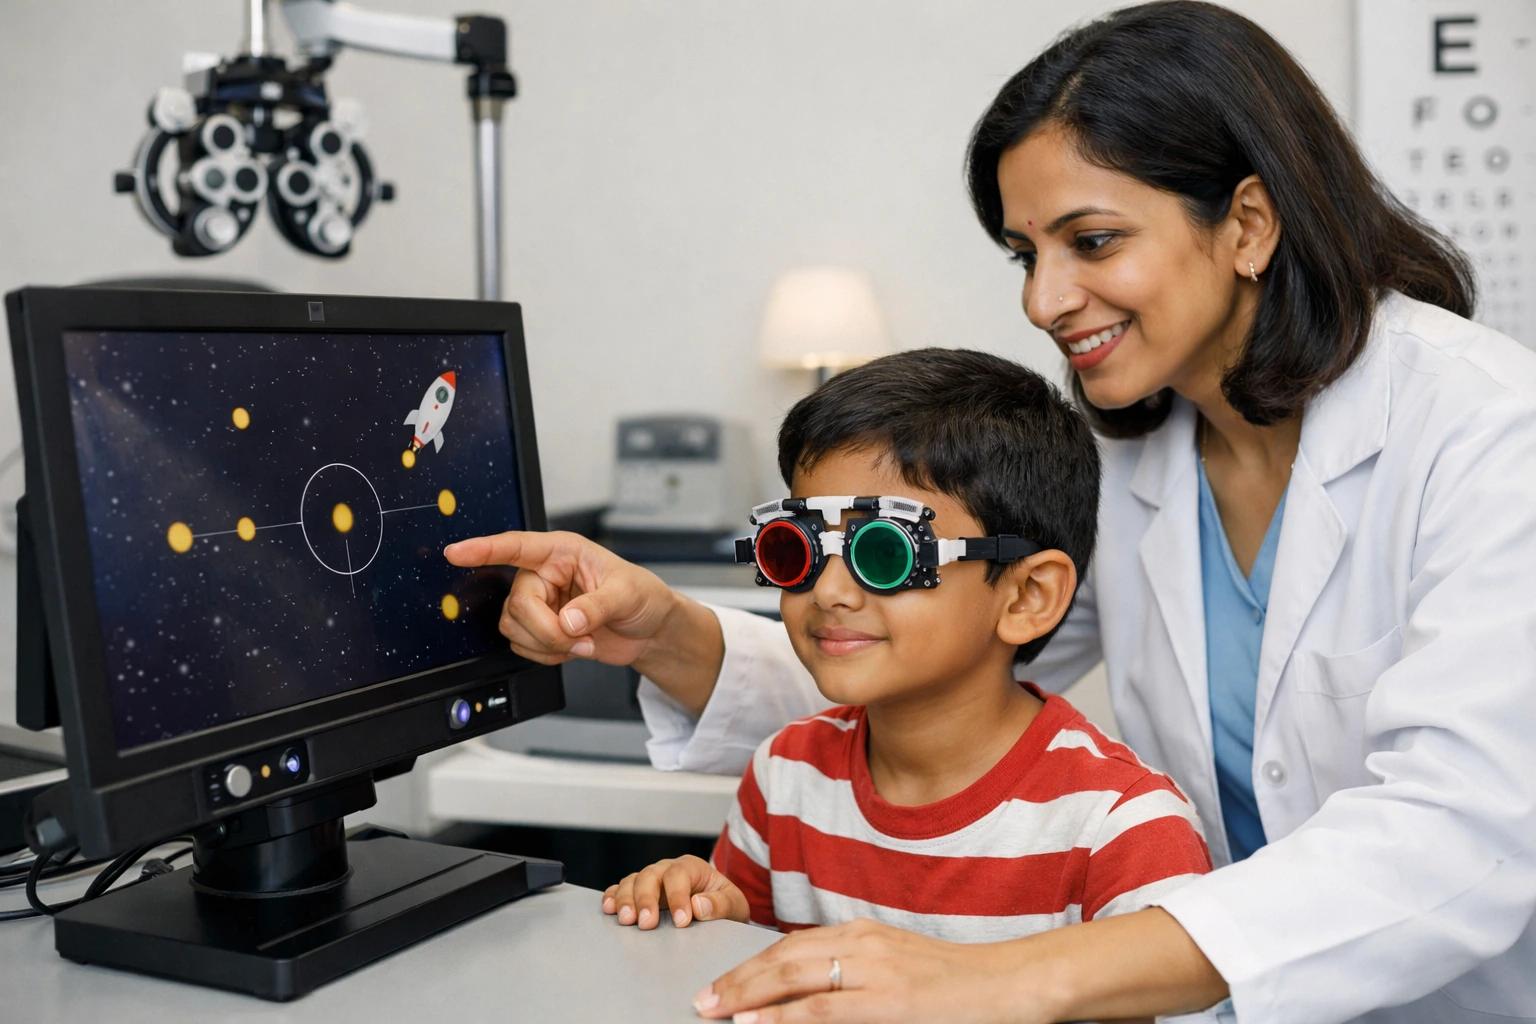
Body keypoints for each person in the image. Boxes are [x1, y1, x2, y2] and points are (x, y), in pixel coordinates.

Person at [444, 3, 1536, 1021]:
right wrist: (668, 636)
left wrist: (1004, 979)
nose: (1042, 300)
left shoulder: (1487, 433)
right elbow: (935, 670)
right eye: (1026, 254)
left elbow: (1459, 833)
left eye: (1092, 242)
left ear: (1247, 222)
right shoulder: (1133, 458)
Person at [598, 349, 1211, 950]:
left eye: (886, 554)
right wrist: (713, 920)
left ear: (1027, 594)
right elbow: (754, 980)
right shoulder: (785, 775)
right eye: (795, 549)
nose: (831, 591)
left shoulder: (1122, 829)